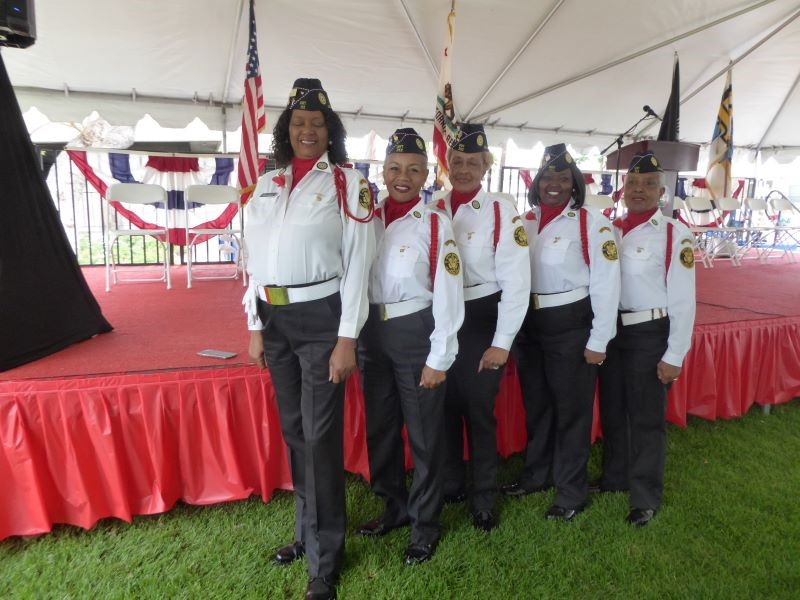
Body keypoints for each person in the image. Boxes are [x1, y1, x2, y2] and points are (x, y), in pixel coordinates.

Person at [244, 78, 375, 600]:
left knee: (320, 439)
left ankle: (324, 561)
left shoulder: (347, 183)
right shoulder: (268, 184)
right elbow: (251, 259)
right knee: (296, 431)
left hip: (324, 320)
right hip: (274, 319)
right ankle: (306, 533)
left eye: (316, 124)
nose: (306, 131)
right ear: (286, 130)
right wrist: (254, 325)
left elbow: (360, 263)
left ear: (329, 131)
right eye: (298, 123)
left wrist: (347, 339)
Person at [357, 127, 464, 565]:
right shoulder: (364, 219)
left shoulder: (436, 224)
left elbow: (448, 291)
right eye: (395, 168)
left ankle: (425, 524)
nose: (403, 177)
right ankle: (394, 508)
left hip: (414, 334)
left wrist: (440, 356)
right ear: (383, 172)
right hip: (370, 335)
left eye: (414, 170)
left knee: (423, 436)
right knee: (381, 429)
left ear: (426, 177)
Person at [504, 143, 620, 521]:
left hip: (570, 325)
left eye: (563, 177)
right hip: (529, 326)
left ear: (575, 184)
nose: (553, 184)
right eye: (547, 177)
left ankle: (570, 493)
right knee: (537, 406)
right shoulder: (524, 223)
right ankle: (537, 476)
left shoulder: (592, 224)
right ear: (535, 182)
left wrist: (599, 338)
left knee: (571, 412)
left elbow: (607, 283)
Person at [595, 151, 696, 527]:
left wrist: (675, 354)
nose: (639, 190)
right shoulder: (612, 229)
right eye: (633, 184)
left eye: (648, 185)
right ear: (623, 189)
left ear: (661, 192)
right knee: (613, 409)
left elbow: (684, 300)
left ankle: (644, 496)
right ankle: (615, 478)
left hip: (650, 332)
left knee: (645, 417)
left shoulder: (673, 235)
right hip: (612, 331)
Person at [441, 123, 531, 531]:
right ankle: (451, 485)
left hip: (482, 318)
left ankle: (483, 499)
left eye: (472, 163)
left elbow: (517, 281)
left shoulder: (500, 210)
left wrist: (502, 343)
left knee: (478, 412)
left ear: (486, 166)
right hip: (442, 317)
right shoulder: (436, 208)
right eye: (456, 161)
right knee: (443, 408)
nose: (463, 169)